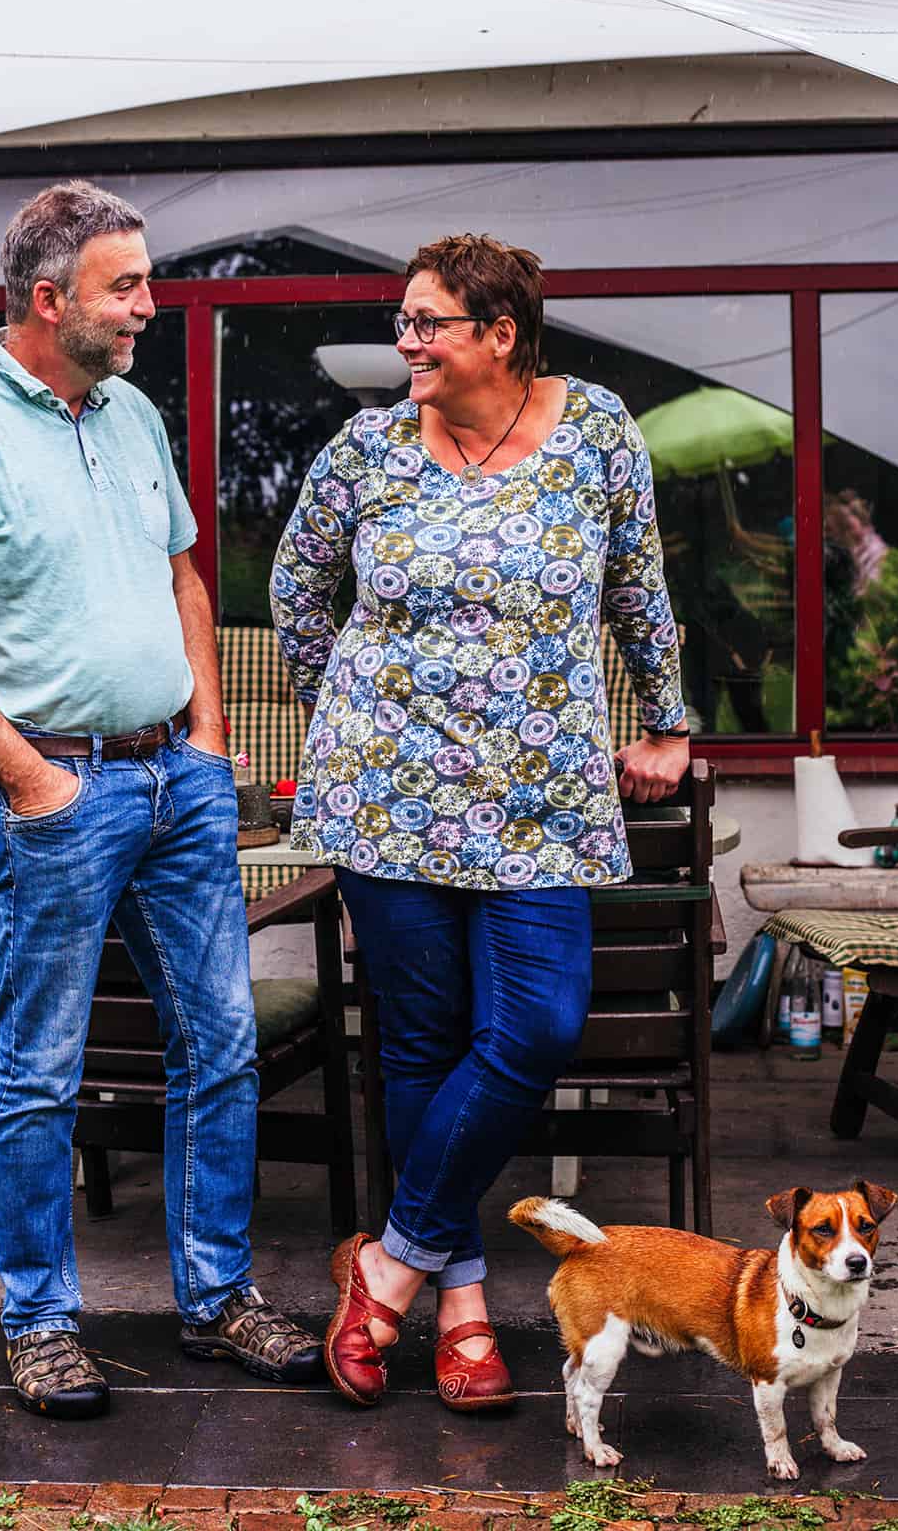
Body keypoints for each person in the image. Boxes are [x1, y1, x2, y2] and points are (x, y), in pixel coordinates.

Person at [0, 180, 322, 1419]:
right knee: (41, 1067)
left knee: (220, 1043)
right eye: (128, 287)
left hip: (177, 774)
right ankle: (42, 1321)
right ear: (49, 297)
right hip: (58, 791)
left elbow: (184, 572)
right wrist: (27, 776)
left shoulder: (125, 416)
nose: (151, 308)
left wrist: (213, 741)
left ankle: (218, 1299)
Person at [270, 234, 690, 1412]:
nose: (407, 343)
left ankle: (390, 1265)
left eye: (428, 324)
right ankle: (460, 1303)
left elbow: (636, 590)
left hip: (542, 796)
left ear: (500, 334)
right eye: (401, 322)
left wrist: (668, 720)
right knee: (421, 1042)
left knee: (536, 1027)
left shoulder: (597, 428)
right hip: (388, 795)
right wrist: (344, 711)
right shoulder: (367, 449)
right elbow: (298, 590)